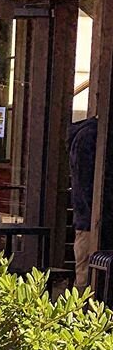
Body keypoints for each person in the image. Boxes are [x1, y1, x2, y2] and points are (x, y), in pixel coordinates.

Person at [67, 117, 97, 291]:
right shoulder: (89, 137)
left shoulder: (87, 136)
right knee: (85, 280)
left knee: (85, 278)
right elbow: (86, 185)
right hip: (89, 223)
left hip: (88, 220)